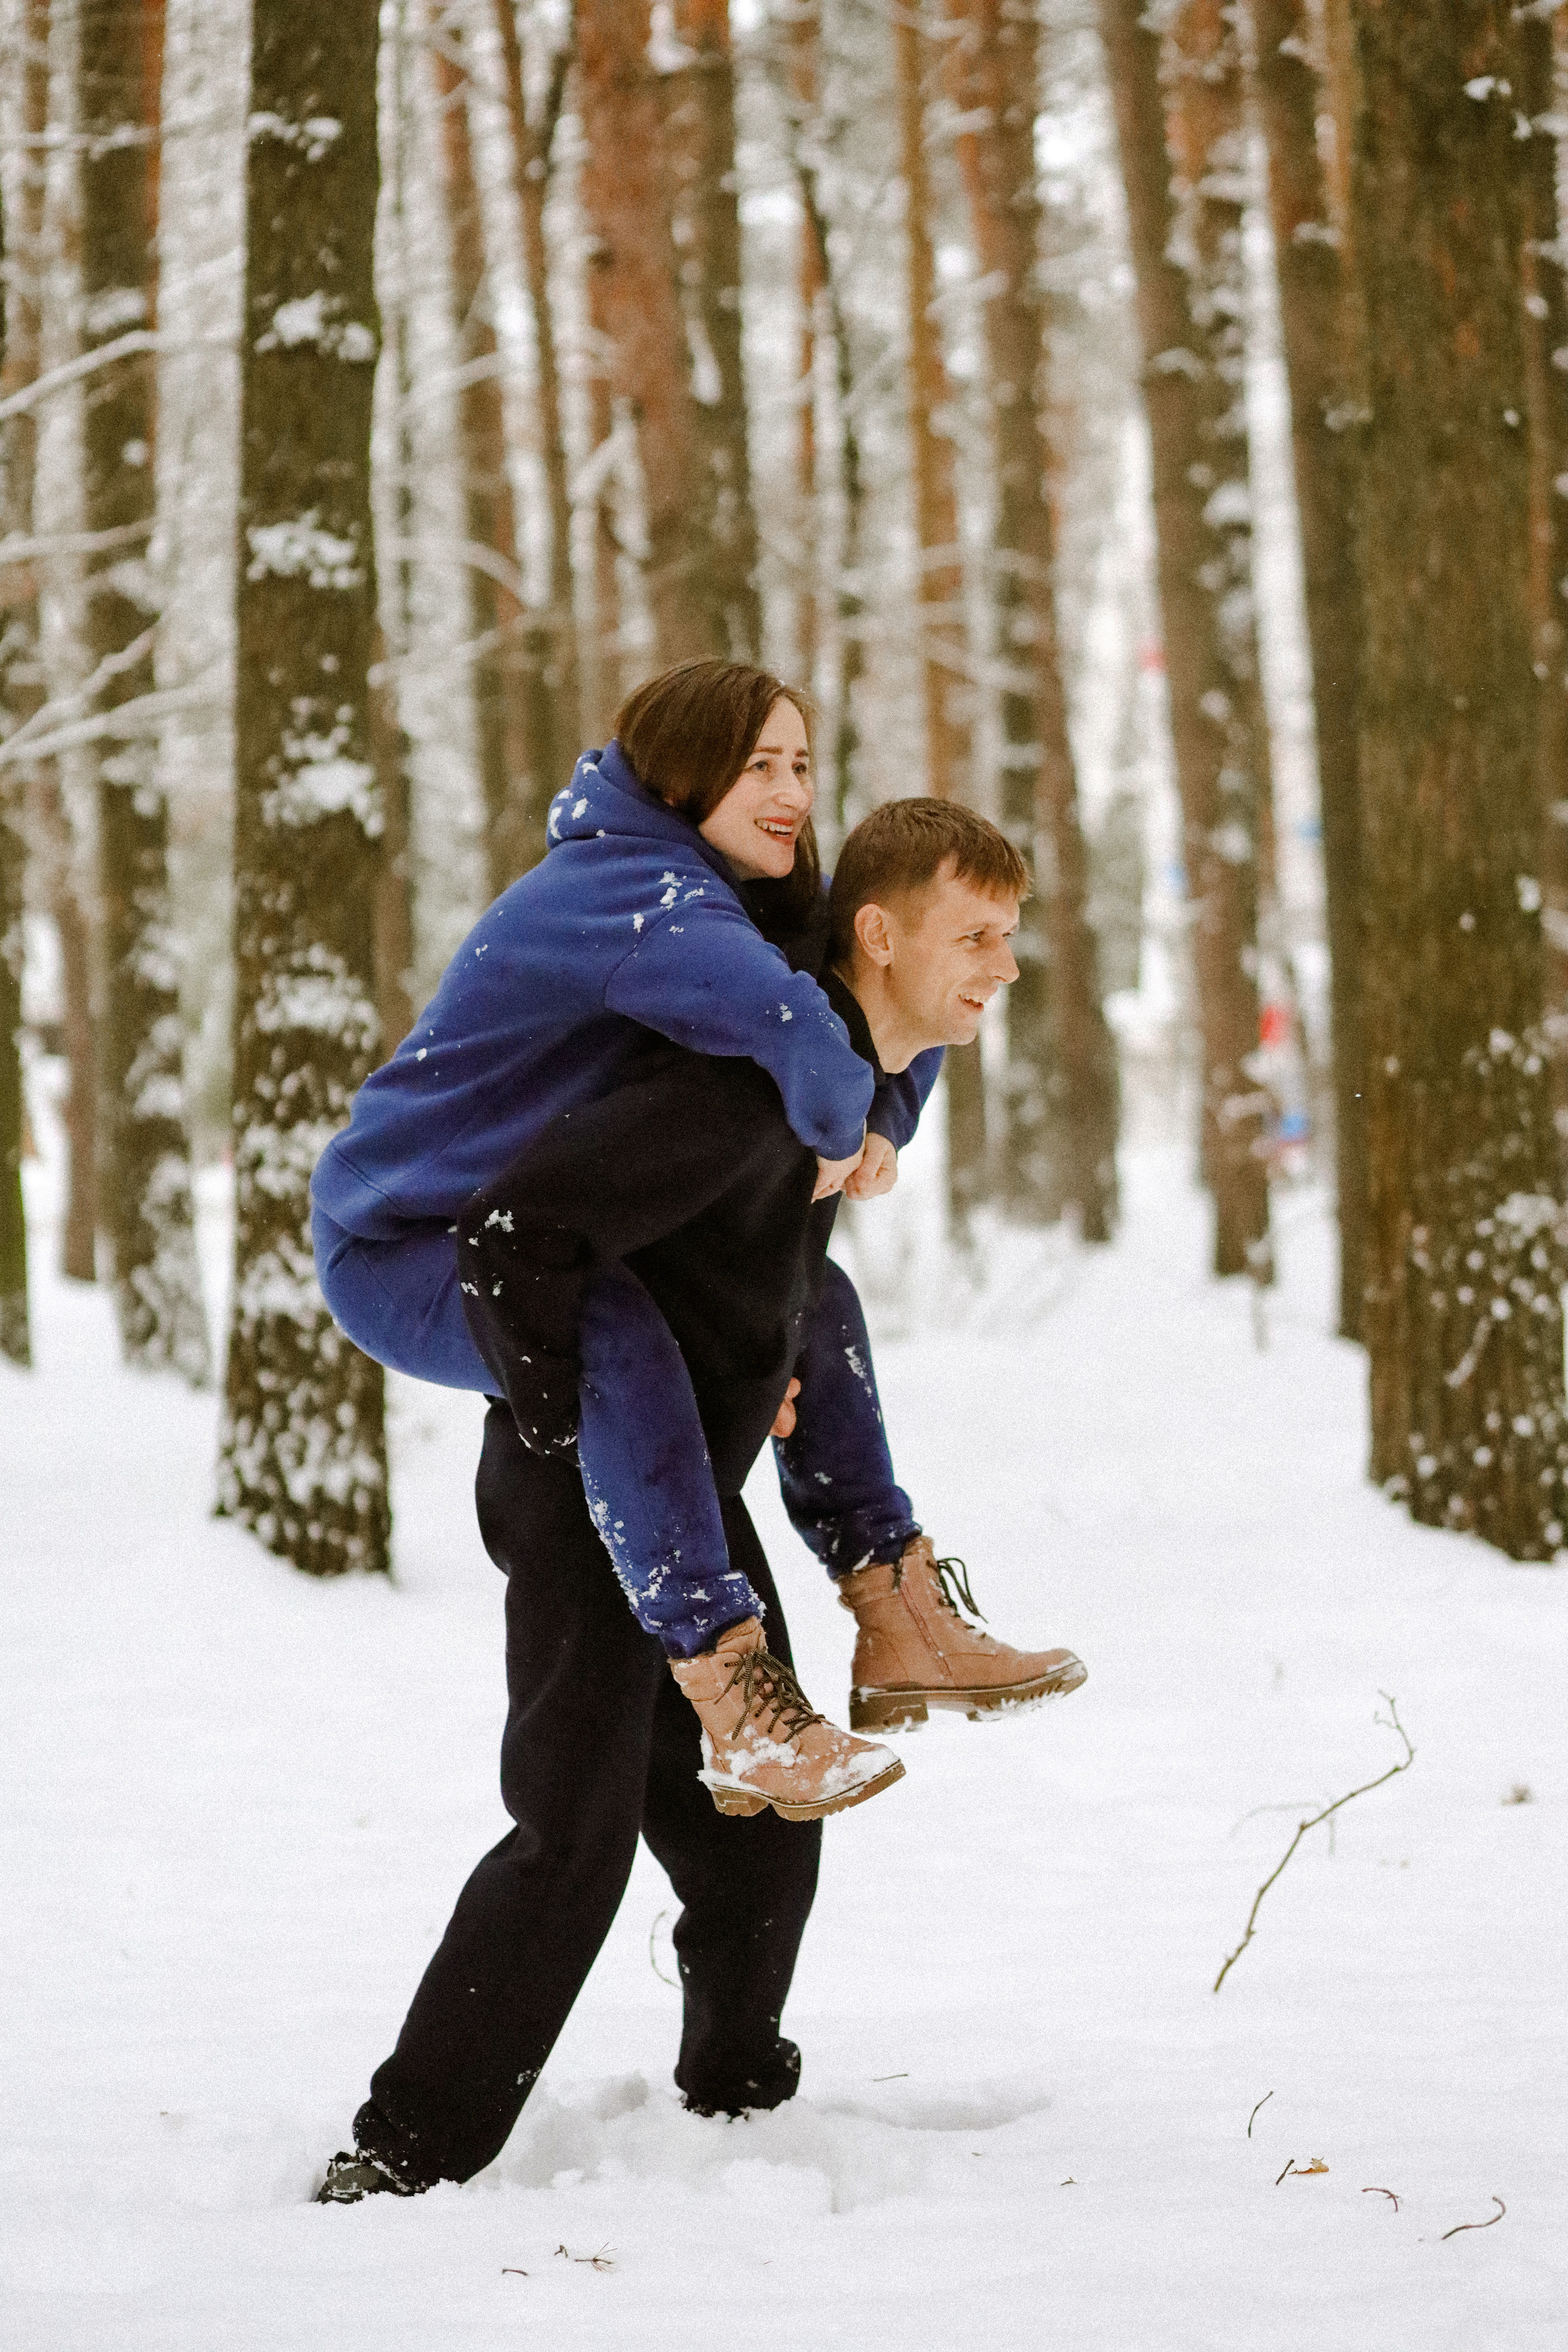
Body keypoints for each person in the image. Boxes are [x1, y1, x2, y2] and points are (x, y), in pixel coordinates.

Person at [313, 788, 1084, 2203]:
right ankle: (401, 2155)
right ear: (879, 936)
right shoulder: (745, 1088)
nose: (1004, 964)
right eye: (974, 934)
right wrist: (576, 1389)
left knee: (758, 1841)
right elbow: (522, 1229)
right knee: (573, 1838)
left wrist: (755, 1367)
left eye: (1009, 934)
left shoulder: (850, 1080)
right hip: (582, 1488)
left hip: (689, 1503)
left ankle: (735, 2098)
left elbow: (798, 1283)